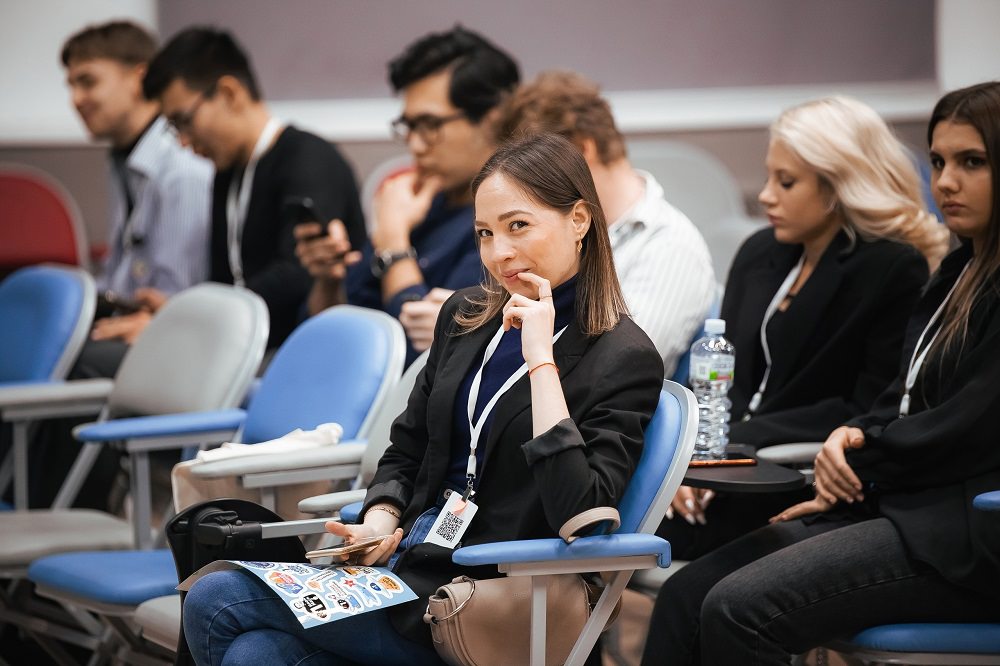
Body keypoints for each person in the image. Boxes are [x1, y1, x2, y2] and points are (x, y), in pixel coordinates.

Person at [182, 133, 664, 665]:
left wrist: (540, 361)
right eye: (485, 233)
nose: (499, 253)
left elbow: (582, 516)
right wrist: (381, 518)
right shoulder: (467, 316)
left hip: (493, 606)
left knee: (217, 597)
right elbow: (408, 447)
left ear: (579, 220)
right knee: (254, 654)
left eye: (518, 226)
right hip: (412, 572)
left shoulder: (622, 355)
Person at [641, 81, 1000, 666]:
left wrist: (860, 454)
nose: (946, 182)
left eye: (972, 162)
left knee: (737, 608)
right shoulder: (961, 270)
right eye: (938, 162)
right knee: (687, 595)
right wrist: (855, 439)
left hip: (962, 535)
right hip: (903, 506)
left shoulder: (908, 268)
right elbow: (902, 398)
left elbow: (970, 423)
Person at [660, 96, 949, 555]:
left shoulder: (890, 268)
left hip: (795, 477)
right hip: (725, 464)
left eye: (786, 182)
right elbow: (725, 379)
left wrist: (734, 444)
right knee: (608, 520)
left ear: (837, 187)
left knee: (631, 545)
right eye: (769, 177)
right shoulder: (759, 252)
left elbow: (864, 406)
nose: (765, 195)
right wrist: (692, 461)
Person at [294, 26, 519, 362]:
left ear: (492, 119)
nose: (415, 145)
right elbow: (320, 333)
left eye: (430, 125)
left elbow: (434, 355)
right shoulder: (419, 204)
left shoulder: (510, 224)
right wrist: (329, 281)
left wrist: (394, 247)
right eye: (409, 126)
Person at [142, 27, 365, 349]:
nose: (183, 141)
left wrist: (195, 316)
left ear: (229, 93)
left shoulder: (309, 159)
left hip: (296, 349)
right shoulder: (229, 168)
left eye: (184, 121)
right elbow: (224, 278)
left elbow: (297, 277)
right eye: (173, 128)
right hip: (237, 345)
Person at [493, 70, 715, 376]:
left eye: (535, 172)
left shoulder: (670, 247)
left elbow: (619, 371)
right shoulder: (544, 236)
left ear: (583, 150)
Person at [61, 20, 212, 375]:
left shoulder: (181, 167)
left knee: (69, 360)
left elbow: (181, 297)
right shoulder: (124, 160)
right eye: (71, 86)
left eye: (88, 82)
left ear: (138, 79)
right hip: (129, 318)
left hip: (178, 338)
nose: (76, 100)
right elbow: (120, 275)